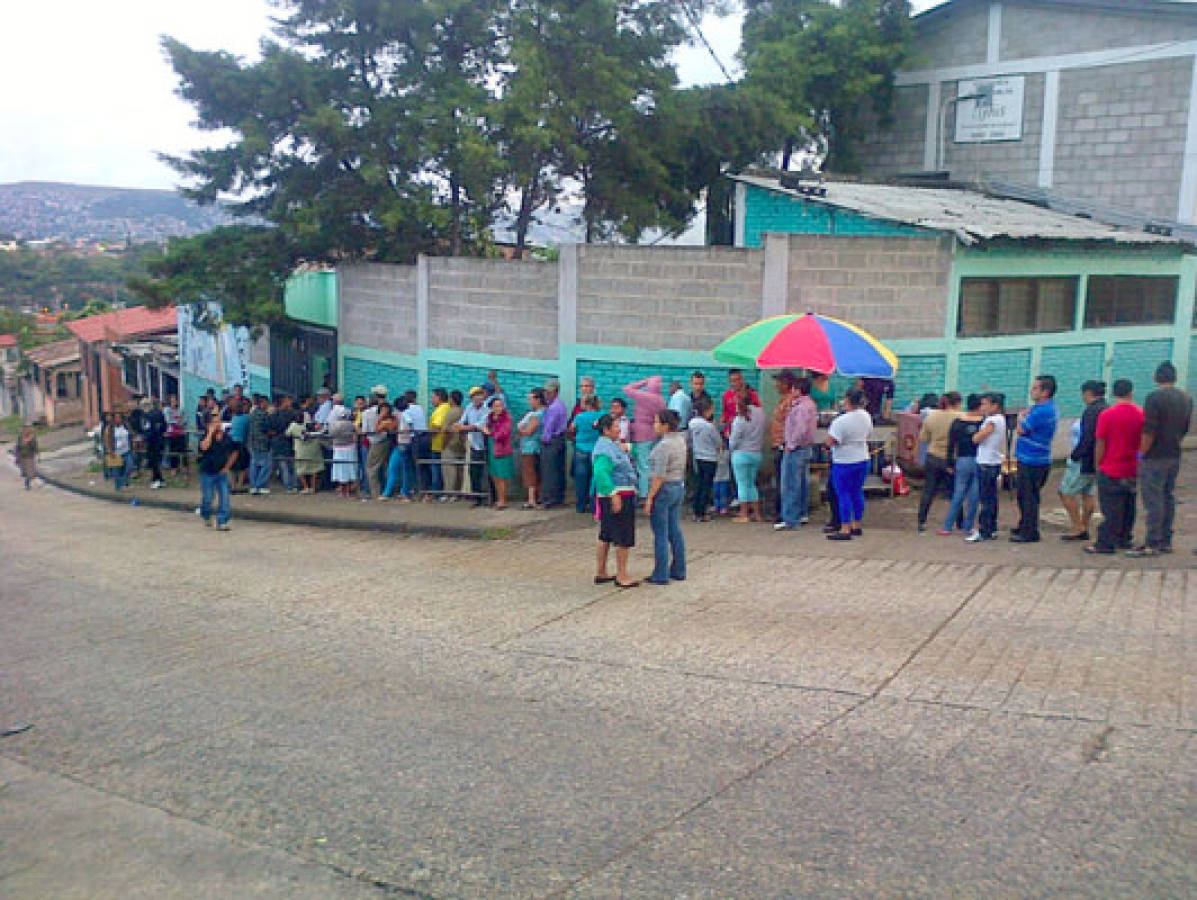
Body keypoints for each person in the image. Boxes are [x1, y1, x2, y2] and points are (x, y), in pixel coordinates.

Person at [1128, 362, 1192, 556]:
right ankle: (1165, 540)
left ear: (1157, 378)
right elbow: (1185, 427)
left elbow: (1149, 430)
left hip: (1155, 455)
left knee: (1153, 499)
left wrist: (1141, 453)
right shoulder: (1186, 398)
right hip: (1174, 453)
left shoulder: (1154, 398)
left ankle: (1152, 542)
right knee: (1168, 496)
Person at [1086, 379, 1145, 555]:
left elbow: (1101, 442)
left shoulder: (1107, 415)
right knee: (1128, 504)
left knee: (1110, 507)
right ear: (1131, 393)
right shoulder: (1141, 414)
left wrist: (1098, 464)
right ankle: (1124, 537)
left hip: (1111, 466)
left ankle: (1105, 542)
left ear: (1113, 393)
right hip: (1132, 466)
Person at [591, 413, 639, 588]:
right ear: (606, 430)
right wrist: (613, 494)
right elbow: (600, 473)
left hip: (613, 494)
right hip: (619, 494)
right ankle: (622, 574)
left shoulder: (611, 445)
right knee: (623, 536)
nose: (619, 429)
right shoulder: (605, 450)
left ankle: (601, 571)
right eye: (616, 427)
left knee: (606, 534)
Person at [1011, 375, 1059, 543]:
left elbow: (1021, 429)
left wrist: (1020, 419)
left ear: (1045, 392)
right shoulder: (1042, 408)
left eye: (1035, 388)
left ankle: (1029, 531)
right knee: (1025, 495)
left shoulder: (1043, 411)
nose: (1032, 391)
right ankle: (1025, 524)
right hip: (1031, 457)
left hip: (1033, 459)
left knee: (1028, 496)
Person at [1060, 381, 1107, 541]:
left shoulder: (1091, 411)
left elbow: (1087, 438)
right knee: (1088, 493)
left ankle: (1077, 526)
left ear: (1087, 393)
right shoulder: (1106, 409)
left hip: (1084, 459)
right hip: (1098, 460)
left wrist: (1075, 455)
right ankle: (1084, 525)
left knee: (1066, 492)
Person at [645, 410, 687, 585]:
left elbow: (659, 475)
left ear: (665, 426)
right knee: (674, 530)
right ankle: (679, 569)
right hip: (677, 484)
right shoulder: (680, 440)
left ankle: (660, 573)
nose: (654, 425)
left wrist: (649, 497)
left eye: (656, 422)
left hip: (664, 488)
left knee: (661, 532)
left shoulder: (664, 446)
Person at [826, 389, 873, 541]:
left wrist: (826, 445)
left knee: (843, 494)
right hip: (862, 458)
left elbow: (831, 441)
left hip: (844, 461)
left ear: (847, 401)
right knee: (857, 492)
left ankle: (845, 527)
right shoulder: (866, 416)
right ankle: (856, 524)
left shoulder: (840, 421)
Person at [775, 376, 817, 530]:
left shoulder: (800, 408)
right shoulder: (810, 405)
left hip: (796, 449)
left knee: (790, 484)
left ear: (797, 390)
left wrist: (791, 444)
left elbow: (800, 429)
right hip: (805, 448)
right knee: (801, 483)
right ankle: (801, 513)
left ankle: (790, 518)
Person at [940, 394, 985, 537]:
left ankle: (947, 526)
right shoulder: (984, 423)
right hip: (978, 460)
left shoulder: (958, 422)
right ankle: (968, 527)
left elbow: (951, 444)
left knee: (958, 494)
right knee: (974, 496)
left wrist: (949, 462)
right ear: (979, 406)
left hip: (962, 460)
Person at [917, 392, 962, 532]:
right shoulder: (960, 417)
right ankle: (960, 522)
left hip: (933, 456)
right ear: (958, 403)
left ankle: (921, 520)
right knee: (956, 490)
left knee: (929, 490)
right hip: (952, 458)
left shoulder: (931, 417)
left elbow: (923, 438)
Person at [969, 392, 1006, 543]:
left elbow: (977, 438)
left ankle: (984, 530)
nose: (982, 407)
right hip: (993, 461)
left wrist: (976, 435)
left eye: (985, 404)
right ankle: (991, 528)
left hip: (986, 462)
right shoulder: (1000, 419)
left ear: (994, 405)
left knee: (986, 499)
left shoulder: (992, 420)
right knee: (991, 498)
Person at [623, 375, 665, 500]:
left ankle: (644, 494)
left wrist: (643, 381)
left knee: (643, 466)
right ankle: (652, 492)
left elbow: (627, 389)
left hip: (641, 435)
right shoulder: (661, 400)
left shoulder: (644, 396)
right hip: (654, 433)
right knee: (652, 465)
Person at [729, 394, 766, 523]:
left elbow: (733, 441)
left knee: (742, 485)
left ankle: (743, 513)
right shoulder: (761, 414)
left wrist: (729, 445)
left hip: (741, 454)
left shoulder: (739, 419)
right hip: (756, 454)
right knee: (751, 484)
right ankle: (757, 514)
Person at [197, 411, 237, 530]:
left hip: (221, 472)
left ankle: (222, 521)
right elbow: (204, 447)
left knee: (225, 497)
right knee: (208, 498)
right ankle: (206, 514)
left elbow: (234, 451)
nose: (217, 424)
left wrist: (227, 467)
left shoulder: (226, 437)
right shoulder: (205, 436)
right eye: (214, 422)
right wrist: (210, 433)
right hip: (207, 472)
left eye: (219, 421)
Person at [769, 371, 797, 523]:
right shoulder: (783, 400)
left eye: (779, 382)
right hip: (778, 444)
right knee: (779, 479)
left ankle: (783, 513)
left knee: (784, 481)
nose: (776, 385)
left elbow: (790, 424)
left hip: (783, 445)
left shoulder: (790, 402)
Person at [458, 386, 492, 504]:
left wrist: (464, 427)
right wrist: (459, 426)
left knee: (489, 471)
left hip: (486, 444)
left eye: (480, 395)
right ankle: (477, 498)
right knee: (474, 471)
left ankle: (491, 497)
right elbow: (462, 421)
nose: (478, 398)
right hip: (474, 444)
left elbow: (480, 424)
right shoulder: (469, 408)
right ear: (472, 398)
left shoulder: (487, 409)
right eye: (475, 395)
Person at [688, 397, 720, 522]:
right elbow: (718, 442)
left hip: (698, 456)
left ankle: (696, 511)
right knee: (707, 486)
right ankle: (703, 512)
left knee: (699, 484)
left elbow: (690, 440)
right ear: (707, 411)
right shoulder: (709, 427)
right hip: (710, 458)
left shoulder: (692, 424)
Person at [571, 395, 603, 513]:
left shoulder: (579, 416)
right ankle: (595, 506)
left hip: (581, 448)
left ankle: (581, 505)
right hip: (597, 449)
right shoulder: (602, 415)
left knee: (581, 479)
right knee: (596, 478)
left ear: (586, 404)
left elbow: (572, 429)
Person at [539, 380, 568, 507]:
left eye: (548, 392)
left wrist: (544, 439)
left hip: (553, 441)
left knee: (549, 470)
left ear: (555, 392)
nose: (546, 394)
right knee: (557, 469)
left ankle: (550, 498)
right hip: (559, 439)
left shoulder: (554, 407)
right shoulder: (558, 405)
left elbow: (549, 427)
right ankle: (557, 497)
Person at [483, 395, 515, 509]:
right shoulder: (490, 418)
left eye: (500, 405)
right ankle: (499, 498)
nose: (499, 408)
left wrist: (490, 432)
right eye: (496, 406)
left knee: (502, 476)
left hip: (503, 449)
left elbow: (503, 433)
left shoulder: (507, 418)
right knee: (495, 475)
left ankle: (503, 500)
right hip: (492, 448)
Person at [517, 388, 546, 508]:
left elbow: (529, 431)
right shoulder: (540, 413)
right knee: (533, 472)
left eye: (531, 399)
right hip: (534, 446)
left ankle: (532, 499)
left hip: (530, 447)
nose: (529, 401)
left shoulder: (537, 414)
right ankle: (535, 498)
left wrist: (520, 430)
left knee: (530, 473)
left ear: (538, 400)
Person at [439, 391, 466, 500]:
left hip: (450, 444)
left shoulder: (451, 413)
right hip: (461, 444)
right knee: (459, 470)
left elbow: (445, 431)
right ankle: (458, 493)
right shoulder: (463, 411)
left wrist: (443, 444)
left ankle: (449, 493)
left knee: (449, 470)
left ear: (451, 399)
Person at [288, 413, 324, 494]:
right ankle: (313, 487)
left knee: (300, 469)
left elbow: (287, 433)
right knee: (314, 468)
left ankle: (306, 487)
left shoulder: (293, 425)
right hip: (314, 450)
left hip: (300, 450)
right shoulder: (312, 425)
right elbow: (321, 432)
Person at [269, 395, 299, 492]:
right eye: (288, 401)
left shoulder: (274, 415)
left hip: (278, 442)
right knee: (291, 465)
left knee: (284, 465)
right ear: (284, 402)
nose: (290, 403)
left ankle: (288, 486)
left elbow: (271, 428)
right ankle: (294, 485)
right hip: (289, 442)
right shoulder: (291, 414)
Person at [426, 388, 452, 496]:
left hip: (438, 444)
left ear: (439, 398)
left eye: (433, 397)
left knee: (436, 470)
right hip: (438, 444)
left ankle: (437, 492)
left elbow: (437, 426)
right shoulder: (444, 408)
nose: (431, 400)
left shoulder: (443, 409)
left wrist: (427, 435)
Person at [329, 406, 359, 498]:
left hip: (338, 448)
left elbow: (331, 434)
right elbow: (356, 433)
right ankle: (348, 491)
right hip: (350, 448)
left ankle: (343, 492)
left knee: (340, 469)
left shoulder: (333, 424)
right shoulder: (351, 424)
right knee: (349, 468)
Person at [246, 394, 273, 495]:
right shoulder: (263, 415)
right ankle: (261, 485)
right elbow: (267, 429)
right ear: (263, 403)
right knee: (266, 465)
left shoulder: (253, 414)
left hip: (252, 443)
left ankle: (254, 486)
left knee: (254, 465)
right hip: (263, 443)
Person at [141, 398, 168, 489]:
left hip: (151, 441)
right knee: (157, 461)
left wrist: (146, 436)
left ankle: (156, 480)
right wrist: (160, 433)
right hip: (160, 440)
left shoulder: (147, 416)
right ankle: (160, 480)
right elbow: (165, 426)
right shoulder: (160, 413)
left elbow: (146, 428)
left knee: (153, 462)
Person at [228, 397, 251, 492]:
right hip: (241, 443)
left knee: (232, 466)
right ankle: (239, 485)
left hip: (231, 443)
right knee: (243, 466)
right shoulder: (247, 418)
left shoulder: (233, 418)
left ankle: (232, 485)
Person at [164, 395, 186, 477]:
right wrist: (178, 422)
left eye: (175, 400)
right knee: (173, 451)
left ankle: (184, 467)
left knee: (182, 450)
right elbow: (168, 420)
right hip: (172, 433)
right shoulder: (167, 410)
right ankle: (174, 468)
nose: (173, 402)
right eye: (172, 401)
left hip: (181, 433)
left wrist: (181, 422)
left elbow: (185, 419)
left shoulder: (181, 409)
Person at [15, 425, 38, 489]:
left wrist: (37, 454)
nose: (26, 430)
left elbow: (35, 447)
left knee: (30, 472)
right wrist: (17, 456)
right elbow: (17, 447)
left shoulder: (32, 437)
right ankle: (27, 483)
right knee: (25, 472)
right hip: (22, 456)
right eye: (24, 429)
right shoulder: (20, 437)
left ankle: (27, 482)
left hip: (29, 456)